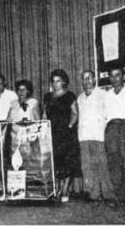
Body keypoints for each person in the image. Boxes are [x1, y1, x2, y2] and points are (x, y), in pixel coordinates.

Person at [43, 69, 81, 203]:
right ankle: (57, 187)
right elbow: (45, 114)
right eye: (53, 81)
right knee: (55, 161)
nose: (55, 83)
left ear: (64, 81)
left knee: (67, 162)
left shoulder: (70, 95)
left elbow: (75, 113)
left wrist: (69, 126)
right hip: (52, 133)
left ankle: (65, 189)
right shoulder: (48, 96)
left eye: (58, 81)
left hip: (66, 134)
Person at [77, 70, 115, 201]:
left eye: (89, 78)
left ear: (94, 80)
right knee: (87, 166)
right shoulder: (80, 97)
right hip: (84, 136)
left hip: (98, 135)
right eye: (84, 78)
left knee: (102, 165)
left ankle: (108, 194)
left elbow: (108, 114)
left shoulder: (103, 94)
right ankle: (94, 194)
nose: (86, 81)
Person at [104, 68, 125, 205]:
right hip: (112, 129)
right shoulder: (107, 95)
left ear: (124, 76)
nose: (114, 78)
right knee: (114, 164)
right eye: (111, 76)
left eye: (117, 75)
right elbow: (106, 117)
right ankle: (119, 197)